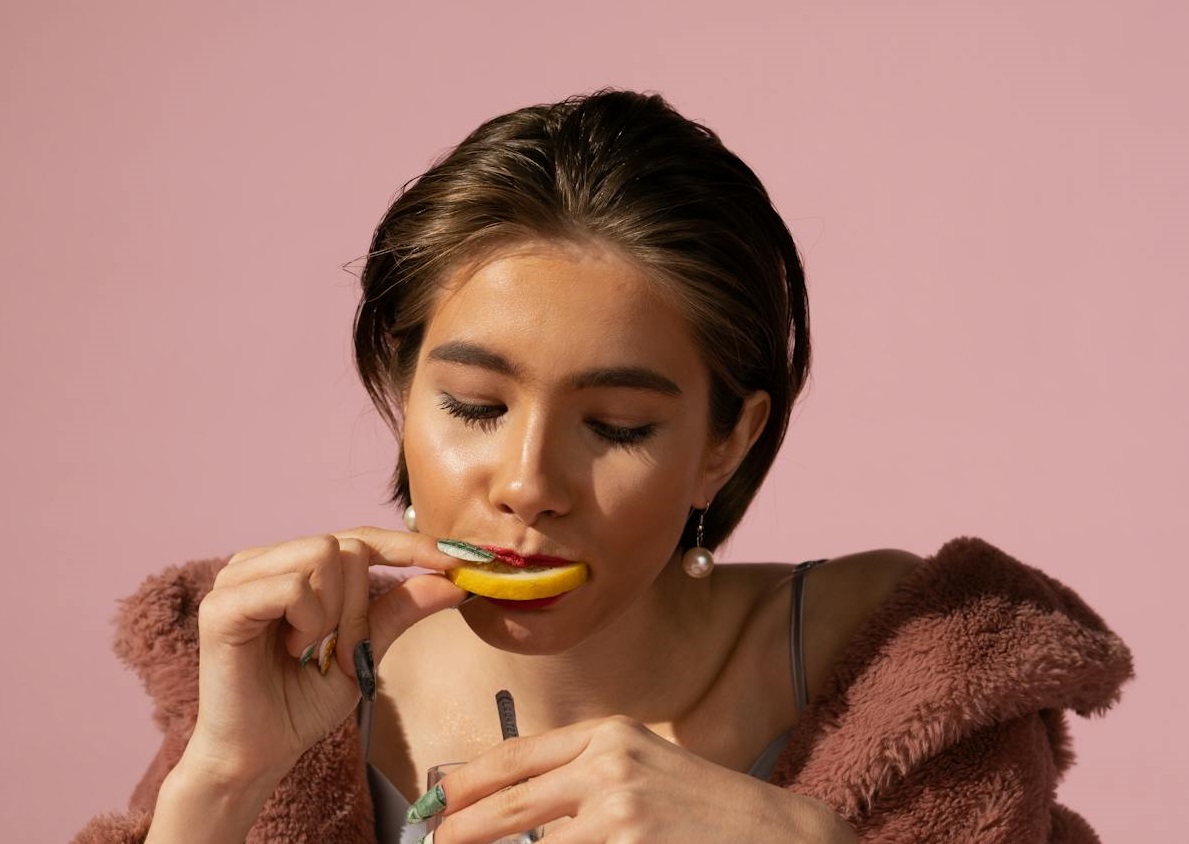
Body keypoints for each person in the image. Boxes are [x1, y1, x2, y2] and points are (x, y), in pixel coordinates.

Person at [75, 90, 1133, 844]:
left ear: (725, 439)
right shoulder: (292, 667)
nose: (529, 480)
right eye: (474, 407)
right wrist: (219, 784)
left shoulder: (905, 665)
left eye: (617, 425)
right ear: (401, 396)